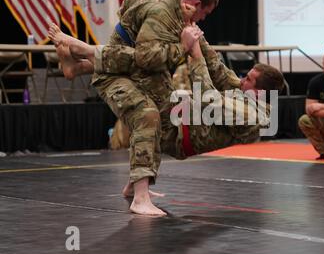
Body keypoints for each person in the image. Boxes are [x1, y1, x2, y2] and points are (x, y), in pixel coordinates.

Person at [50, 24, 285, 217]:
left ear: (260, 93)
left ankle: (85, 52)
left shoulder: (255, 115)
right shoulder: (247, 94)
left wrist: (194, 53)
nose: (243, 80)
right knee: (149, 68)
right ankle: (79, 67)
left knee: (152, 66)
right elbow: (219, 70)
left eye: (250, 80)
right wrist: (195, 33)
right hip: (180, 121)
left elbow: (208, 97)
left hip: (179, 134)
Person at [49, 0, 218, 216]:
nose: (203, 19)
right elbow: (144, 58)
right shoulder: (162, 11)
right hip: (113, 75)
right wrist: (182, 46)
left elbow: (207, 57)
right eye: (205, 13)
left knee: (165, 112)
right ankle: (140, 199)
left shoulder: (177, 10)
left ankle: (136, 186)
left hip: (129, 70)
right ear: (195, 2)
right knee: (146, 115)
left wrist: (238, 84)